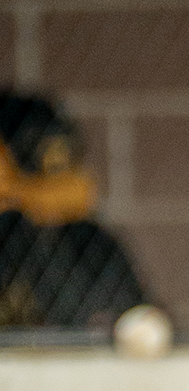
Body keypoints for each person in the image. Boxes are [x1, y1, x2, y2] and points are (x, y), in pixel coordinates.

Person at [0, 90, 148, 328]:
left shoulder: (84, 235)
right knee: (16, 227)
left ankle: (97, 330)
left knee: (85, 234)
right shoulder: (11, 227)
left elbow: (75, 196)